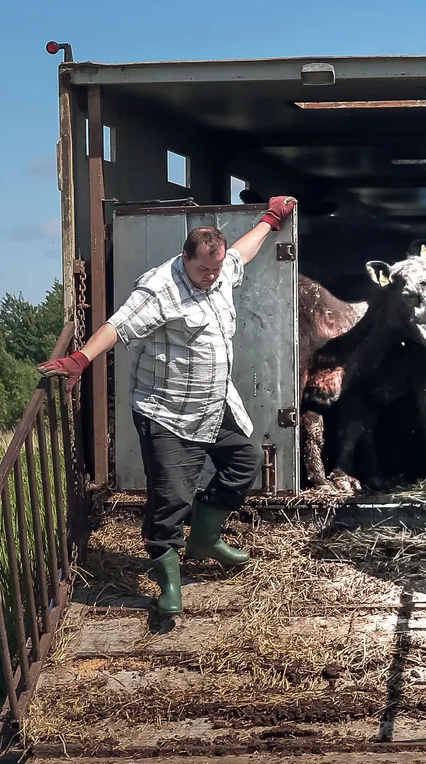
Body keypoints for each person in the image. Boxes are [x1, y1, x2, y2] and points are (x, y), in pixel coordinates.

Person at [38, 196, 297, 615]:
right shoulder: (160, 287)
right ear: (185, 257)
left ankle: (204, 539)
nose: (211, 277)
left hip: (214, 403)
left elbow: (244, 252)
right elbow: (118, 326)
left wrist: (270, 218)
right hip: (169, 410)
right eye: (202, 270)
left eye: (216, 269)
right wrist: (80, 360)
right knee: (171, 498)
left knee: (244, 463)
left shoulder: (221, 268)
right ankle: (167, 582)